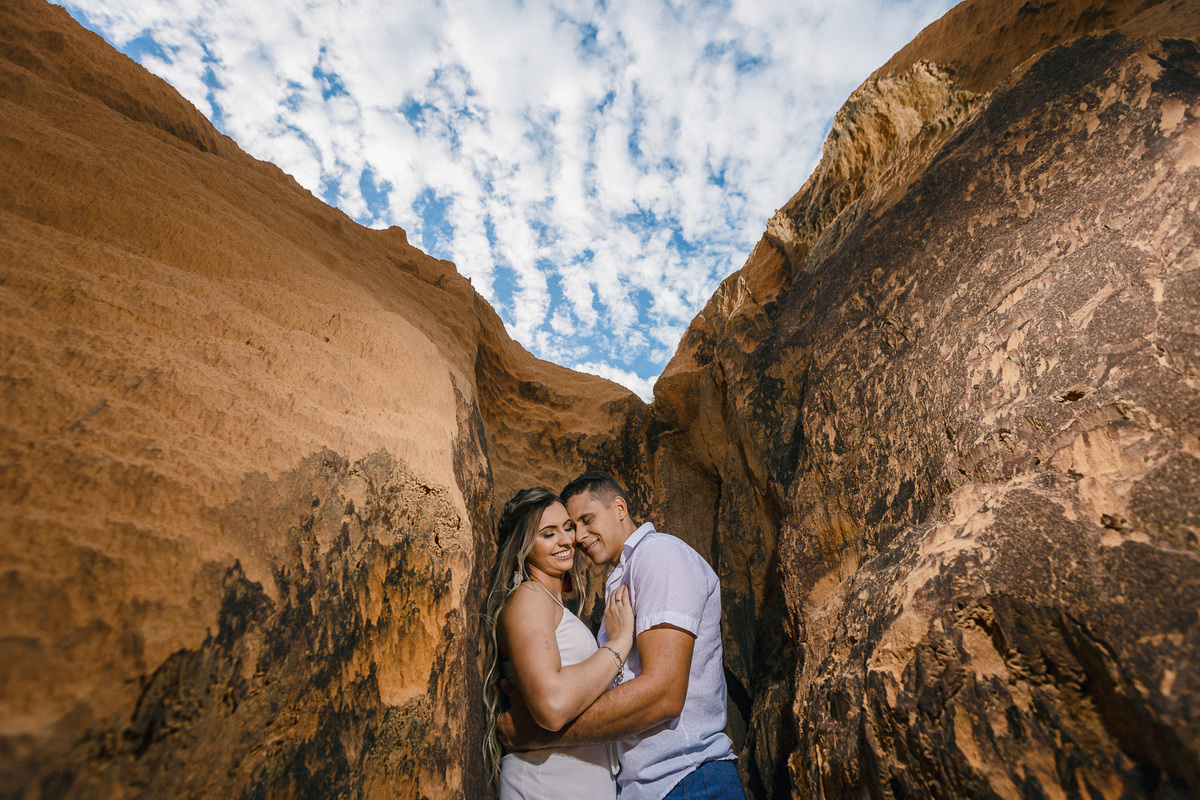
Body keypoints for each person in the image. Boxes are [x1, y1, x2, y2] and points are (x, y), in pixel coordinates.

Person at [499, 472, 746, 800]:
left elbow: (664, 695)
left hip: (688, 778)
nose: (577, 537)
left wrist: (539, 734)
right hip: (645, 787)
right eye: (571, 527)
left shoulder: (659, 555)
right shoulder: (620, 578)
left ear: (619, 507)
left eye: (584, 521)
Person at [482, 486, 636, 799]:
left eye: (567, 528)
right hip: (544, 782)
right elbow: (552, 705)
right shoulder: (530, 597)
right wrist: (621, 642)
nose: (567, 540)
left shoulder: (550, 603)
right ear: (523, 547)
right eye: (548, 534)